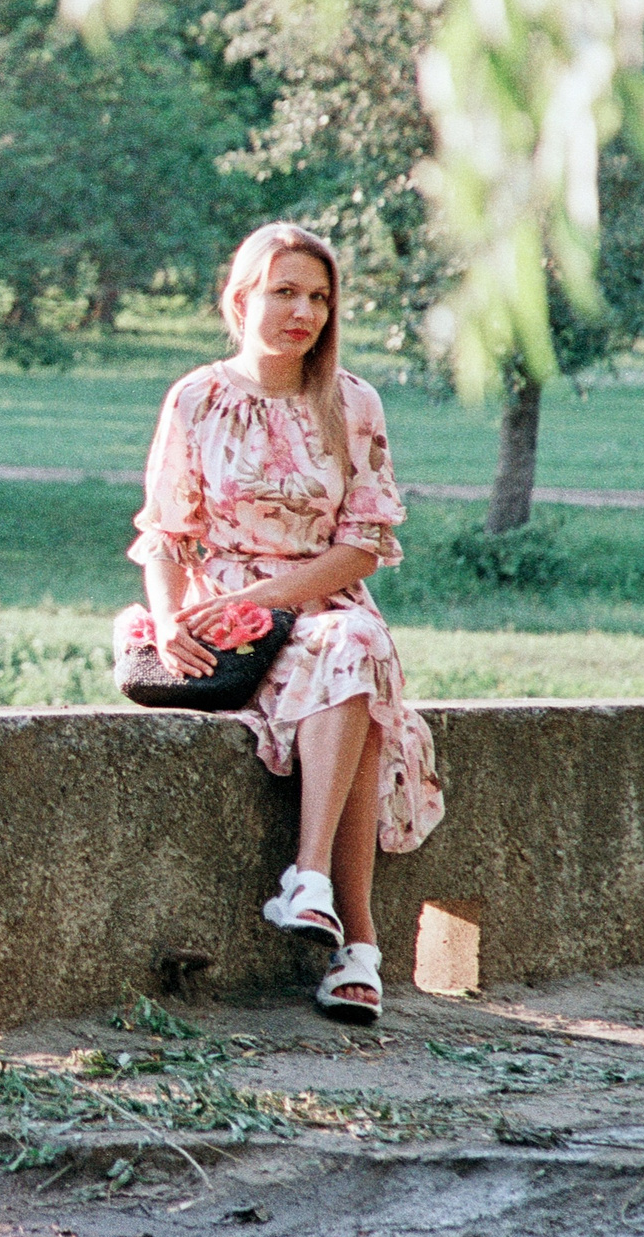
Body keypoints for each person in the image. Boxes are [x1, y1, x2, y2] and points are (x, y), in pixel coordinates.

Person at [127, 222, 444, 1023]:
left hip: (317, 602)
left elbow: (366, 545)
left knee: (354, 645)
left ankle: (308, 883)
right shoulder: (196, 397)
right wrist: (172, 622)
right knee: (359, 676)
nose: (304, 311)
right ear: (240, 300)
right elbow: (164, 535)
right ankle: (358, 947)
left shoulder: (352, 402)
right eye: (285, 292)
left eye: (319, 297)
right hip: (228, 628)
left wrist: (267, 598)